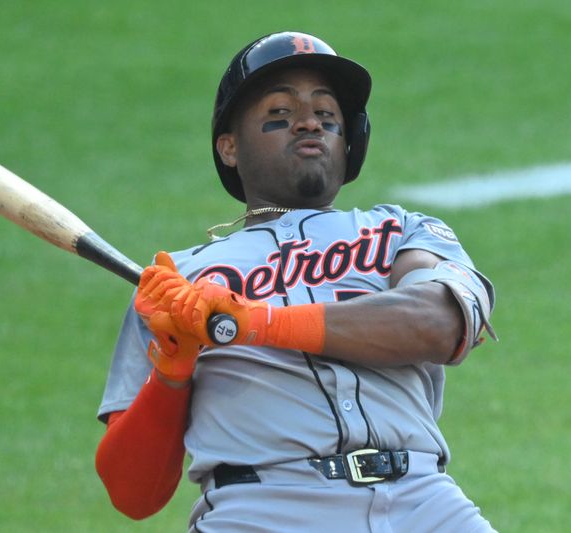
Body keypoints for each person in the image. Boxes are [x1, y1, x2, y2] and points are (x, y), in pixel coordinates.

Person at [95, 31, 498, 532]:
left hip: (423, 503)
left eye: (327, 115)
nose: (309, 122)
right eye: (280, 115)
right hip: (262, 511)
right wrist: (173, 366)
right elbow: (133, 494)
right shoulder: (177, 283)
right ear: (229, 147)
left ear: (353, 141)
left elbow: (436, 324)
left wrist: (251, 323)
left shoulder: (402, 233)